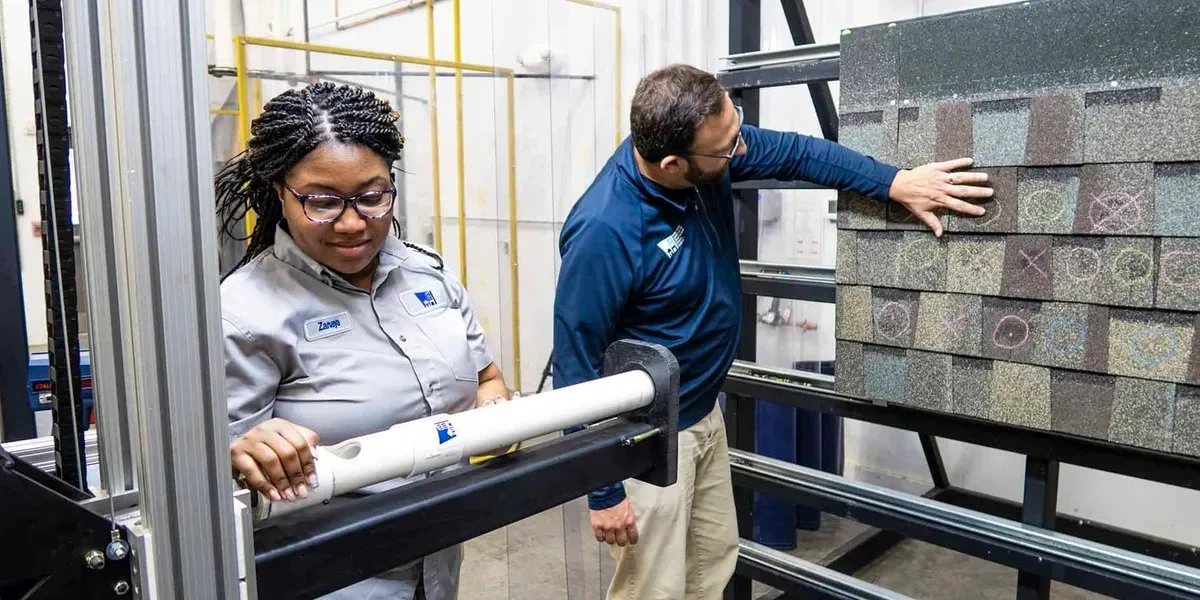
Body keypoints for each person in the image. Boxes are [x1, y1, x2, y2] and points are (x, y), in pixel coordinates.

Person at [552, 64, 993, 599]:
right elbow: (575, 368)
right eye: (726, 147)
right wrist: (602, 491)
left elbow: (802, 154)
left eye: (737, 131)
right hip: (644, 440)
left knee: (710, 568)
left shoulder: (711, 149)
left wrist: (895, 183)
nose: (741, 151)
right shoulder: (606, 229)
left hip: (701, 412)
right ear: (673, 163)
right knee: (654, 589)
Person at [215, 81, 512, 600]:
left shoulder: (429, 278)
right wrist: (241, 452)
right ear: (279, 190)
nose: (353, 223)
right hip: (334, 580)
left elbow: (487, 379)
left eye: (372, 196)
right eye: (322, 201)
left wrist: (498, 417)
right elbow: (219, 477)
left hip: (438, 565)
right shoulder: (243, 312)